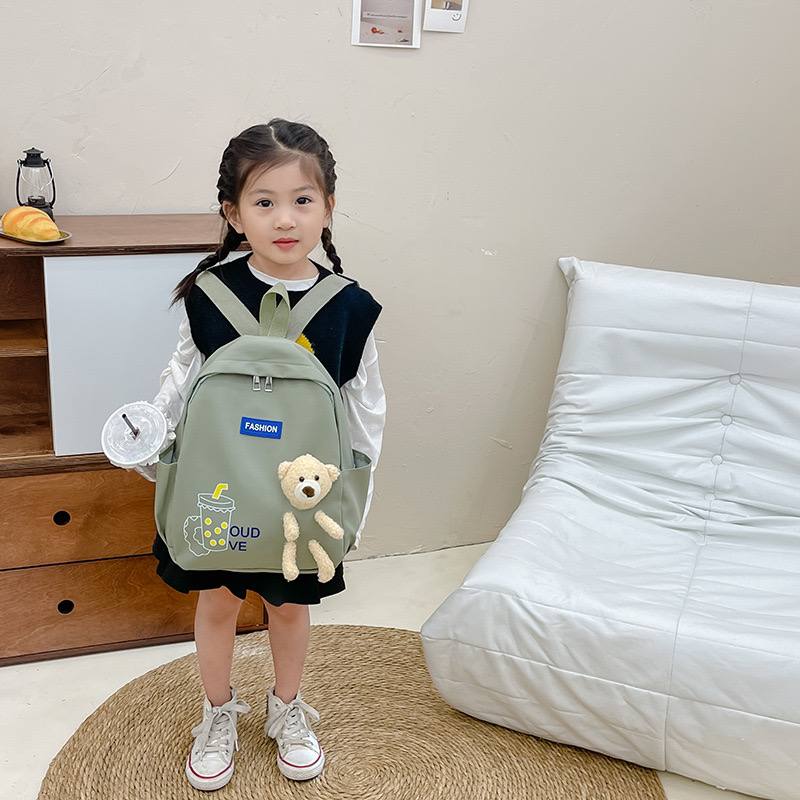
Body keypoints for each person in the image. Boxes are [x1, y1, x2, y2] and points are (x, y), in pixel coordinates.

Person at [129, 120, 385, 791]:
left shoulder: (350, 307)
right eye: (263, 201)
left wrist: (357, 488)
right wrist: (152, 435)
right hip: (218, 489)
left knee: (290, 608)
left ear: (329, 207)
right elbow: (181, 378)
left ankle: (287, 708)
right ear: (232, 214)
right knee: (215, 603)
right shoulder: (210, 293)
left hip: (302, 498)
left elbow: (364, 407)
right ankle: (216, 713)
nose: (284, 218)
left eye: (303, 200)